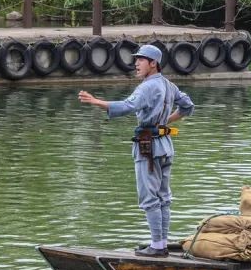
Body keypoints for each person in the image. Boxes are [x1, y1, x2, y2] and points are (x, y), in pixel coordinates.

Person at [79, 44, 194, 257]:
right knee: (164, 197)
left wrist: (96, 102)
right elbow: (188, 106)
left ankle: (157, 246)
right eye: (136, 59)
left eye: (141, 60)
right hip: (166, 145)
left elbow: (127, 106)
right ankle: (161, 242)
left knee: (149, 198)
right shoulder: (169, 85)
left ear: (154, 63)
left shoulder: (147, 87)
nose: (136, 64)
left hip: (148, 147)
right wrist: (166, 120)